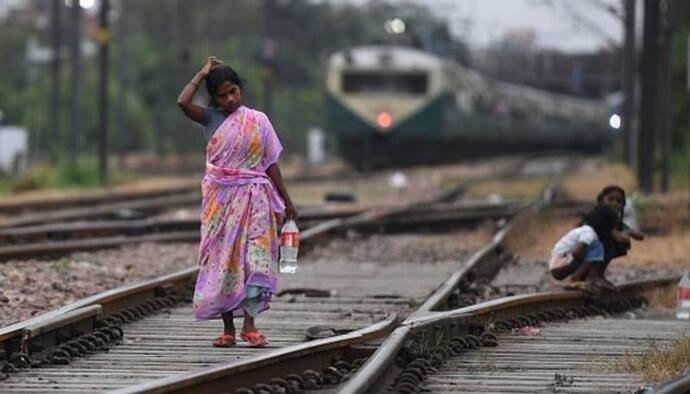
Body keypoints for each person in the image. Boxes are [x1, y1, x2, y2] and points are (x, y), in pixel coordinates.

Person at [177, 56, 297, 348]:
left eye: (233, 91)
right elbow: (182, 102)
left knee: (255, 260)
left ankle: (250, 326)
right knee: (224, 263)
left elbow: (270, 164)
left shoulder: (259, 121)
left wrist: (286, 199)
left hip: (256, 200)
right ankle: (228, 328)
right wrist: (201, 72)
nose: (230, 98)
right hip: (221, 203)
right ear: (215, 99)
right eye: (222, 95)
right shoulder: (210, 118)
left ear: (241, 89)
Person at [549, 203, 620, 286]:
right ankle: (576, 278)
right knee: (597, 247)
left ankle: (582, 277)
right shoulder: (590, 233)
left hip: (557, 263)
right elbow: (576, 252)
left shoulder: (586, 230)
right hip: (560, 265)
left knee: (593, 249)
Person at [595, 185, 645, 278]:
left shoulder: (615, 221)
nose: (615, 203)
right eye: (610, 199)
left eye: (619, 201)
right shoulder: (599, 216)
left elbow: (640, 236)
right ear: (602, 200)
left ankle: (599, 274)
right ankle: (592, 275)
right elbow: (615, 235)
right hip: (577, 255)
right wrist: (625, 237)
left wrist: (629, 232)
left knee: (617, 245)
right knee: (608, 244)